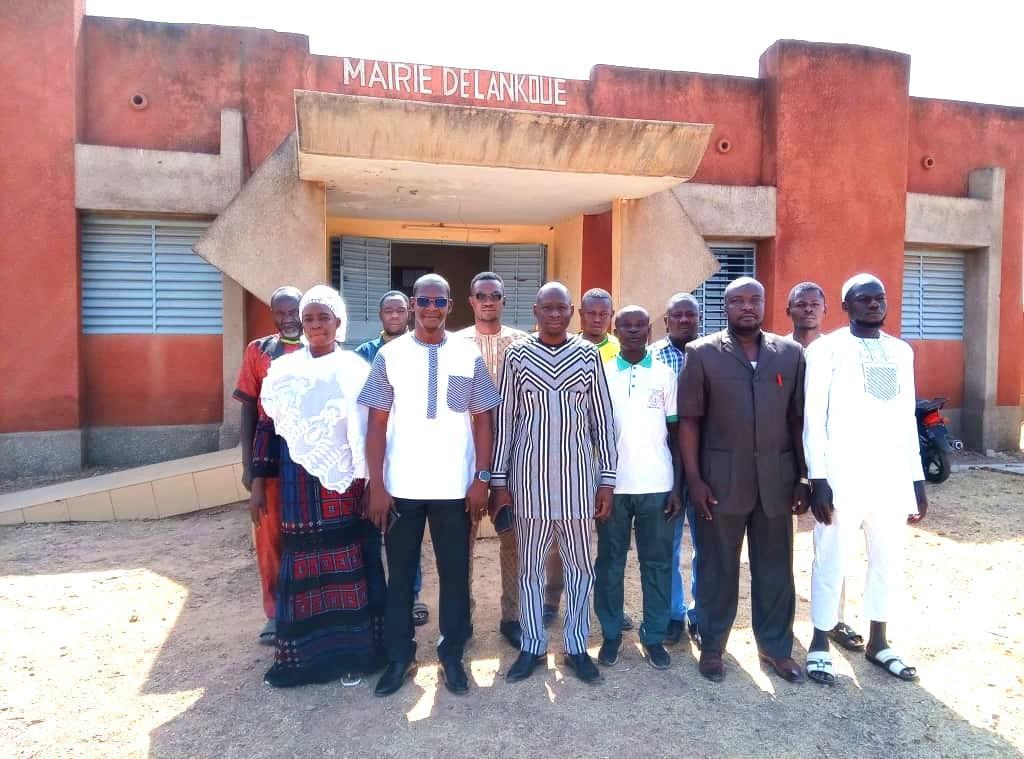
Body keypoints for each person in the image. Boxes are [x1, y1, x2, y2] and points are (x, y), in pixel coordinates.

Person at [360, 274, 501, 697]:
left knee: (455, 574)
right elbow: (376, 424)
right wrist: (377, 485)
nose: (431, 308)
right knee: (401, 575)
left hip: (454, 488)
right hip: (401, 487)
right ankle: (400, 657)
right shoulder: (390, 355)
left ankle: (451, 655)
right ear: (413, 304)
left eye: (440, 302)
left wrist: (481, 478)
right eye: (424, 301)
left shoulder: (467, 354)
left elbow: (483, 420)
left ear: (450, 306)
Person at [250, 285, 384, 688]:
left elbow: (370, 431)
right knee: (304, 562)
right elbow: (267, 426)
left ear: (338, 322)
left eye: (323, 317)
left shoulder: (354, 369)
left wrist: (371, 483)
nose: (315, 325)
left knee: (347, 562)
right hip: (297, 483)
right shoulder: (283, 371)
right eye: (308, 318)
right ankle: (305, 659)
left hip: (345, 483)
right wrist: (257, 481)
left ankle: (353, 656)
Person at [678, 277, 808, 684]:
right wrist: (695, 480)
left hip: (776, 481)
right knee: (717, 568)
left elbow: (797, 420)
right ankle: (713, 645)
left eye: (755, 299)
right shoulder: (702, 353)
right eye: (738, 301)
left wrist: (803, 477)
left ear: (766, 304)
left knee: (776, 568)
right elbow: (689, 421)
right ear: (725, 307)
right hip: (720, 483)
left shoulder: (790, 354)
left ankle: (775, 647)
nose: (747, 307)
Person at [803, 274, 928, 685]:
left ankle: (879, 641)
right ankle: (819, 641)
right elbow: (814, 419)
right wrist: (818, 479)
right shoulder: (826, 350)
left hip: (891, 478)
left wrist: (917, 480)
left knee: (887, 560)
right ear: (846, 305)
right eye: (864, 298)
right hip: (843, 476)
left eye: (880, 298)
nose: (874, 304)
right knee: (831, 558)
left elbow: (907, 419)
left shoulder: (901, 351)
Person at [493, 282, 617, 685]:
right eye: (547, 307)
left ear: (570, 312)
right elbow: (505, 421)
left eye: (561, 308)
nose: (554, 314)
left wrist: (607, 480)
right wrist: (499, 481)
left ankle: (577, 647)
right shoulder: (517, 355)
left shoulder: (587, 355)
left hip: (578, 483)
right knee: (529, 569)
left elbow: (603, 421)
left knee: (580, 569)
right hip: (528, 483)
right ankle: (532, 645)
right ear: (536, 310)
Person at [454, 271, 564, 650]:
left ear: (504, 300)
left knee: (514, 539)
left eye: (495, 295)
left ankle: (512, 617)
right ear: (471, 300)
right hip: (465, 456)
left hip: (515, 456)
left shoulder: (524, 344)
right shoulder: (455, 345)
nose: (488, 301)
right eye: (481, 295)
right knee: (460, 542)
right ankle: (461, 618)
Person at [594, 306, 681, 670]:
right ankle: (611, 634)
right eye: (625, 325)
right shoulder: (601, 372)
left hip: (657, 484)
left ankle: (654, 636)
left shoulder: (665, 375)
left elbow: (676, 433)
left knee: (657, 564)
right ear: (615, 330)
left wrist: (677, 486)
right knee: (610, 563)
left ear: (649, 330)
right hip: (611, 487)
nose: (632, 330)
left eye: (639, 325)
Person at [785, 282, 864, 653]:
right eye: (800, 304)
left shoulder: (839, 351)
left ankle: (834, 619)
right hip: (785, 460)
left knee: (834, 543)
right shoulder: (778, 350)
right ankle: (782, 620)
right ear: (788, 310)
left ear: (827, 309)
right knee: (779, 547)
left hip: (828, 464)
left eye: (815, 304)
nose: (808, 310)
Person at [354, 291, 430, 629]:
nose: (395, 316)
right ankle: (376, 599)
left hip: (408, 453)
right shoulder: (364, 355)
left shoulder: (423, 350)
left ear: (409, 312)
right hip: (373, 450)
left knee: (406, 532)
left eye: (400, 310)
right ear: (380, 315)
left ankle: (412, 595)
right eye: (389, 311)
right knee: (372, 529)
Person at [232, 285, 303, 645]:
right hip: (269, 451)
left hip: (308, 452)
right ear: (272, 313)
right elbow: (248, 407)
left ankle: (307, 607)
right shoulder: (258, 351)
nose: (289, 318)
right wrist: (249, 466)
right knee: (270, 534)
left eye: (294, 311)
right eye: (281, 312)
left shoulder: (320, 347)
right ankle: (275, 613)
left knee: (304, 533)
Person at [650, 292, 701, 645]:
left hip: (706, 465)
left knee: (706, 545)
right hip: (665, 464)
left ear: (699, 318)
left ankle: (701, 614)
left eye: (690, 315)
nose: (684, 320)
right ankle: (672, 614)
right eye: (677, 316)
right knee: (666, 545)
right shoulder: (651, 358)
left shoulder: (714, 353)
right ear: (666, 321)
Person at [579, 288, 621, 363]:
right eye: (591, 313)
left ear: (612, 315)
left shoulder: (621, 350)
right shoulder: (568, 348)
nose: (597, 320)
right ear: (581, 313)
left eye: (603, 314)